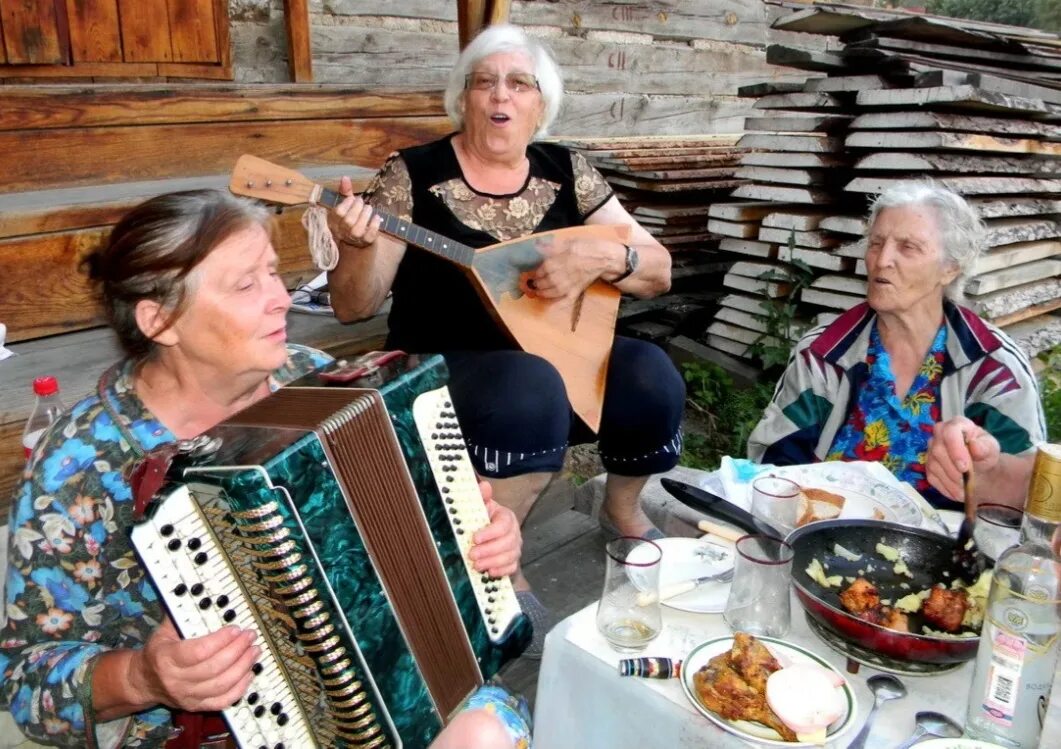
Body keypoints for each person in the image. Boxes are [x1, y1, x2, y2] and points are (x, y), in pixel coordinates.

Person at [0, 190, 529, 748]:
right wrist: (143, 676)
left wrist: (479, 535)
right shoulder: (80, 465)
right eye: (245, 284)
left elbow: (422, 525)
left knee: (481, 734)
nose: (281, 299)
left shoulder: (320, 382)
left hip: (402, 680)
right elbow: (28, 682)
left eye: (274, 274)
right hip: (207, 733)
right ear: (160, 321)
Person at [324, 24, 686, 619]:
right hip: (445, 368)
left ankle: (620, 510)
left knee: (649, 371)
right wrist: (357, 246)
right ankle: (502, 557)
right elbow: (352, 307)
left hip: (553, 354)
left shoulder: (568, 169)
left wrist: (606, 255)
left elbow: (658, 269)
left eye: (520, 84)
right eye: (485, 82)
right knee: (528, 385)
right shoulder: (411, 172)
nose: (501, 96)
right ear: (462, 99)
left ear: (542, 103)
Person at [748, 180, 1045, 511]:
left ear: (950, 268)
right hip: (821, 533)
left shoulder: (994, 369)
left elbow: (1033, 496)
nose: (882, 260)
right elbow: (772, 465)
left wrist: (988, 474)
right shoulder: (825, 354)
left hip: (944, 552)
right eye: (876, 243)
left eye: (908, 247)